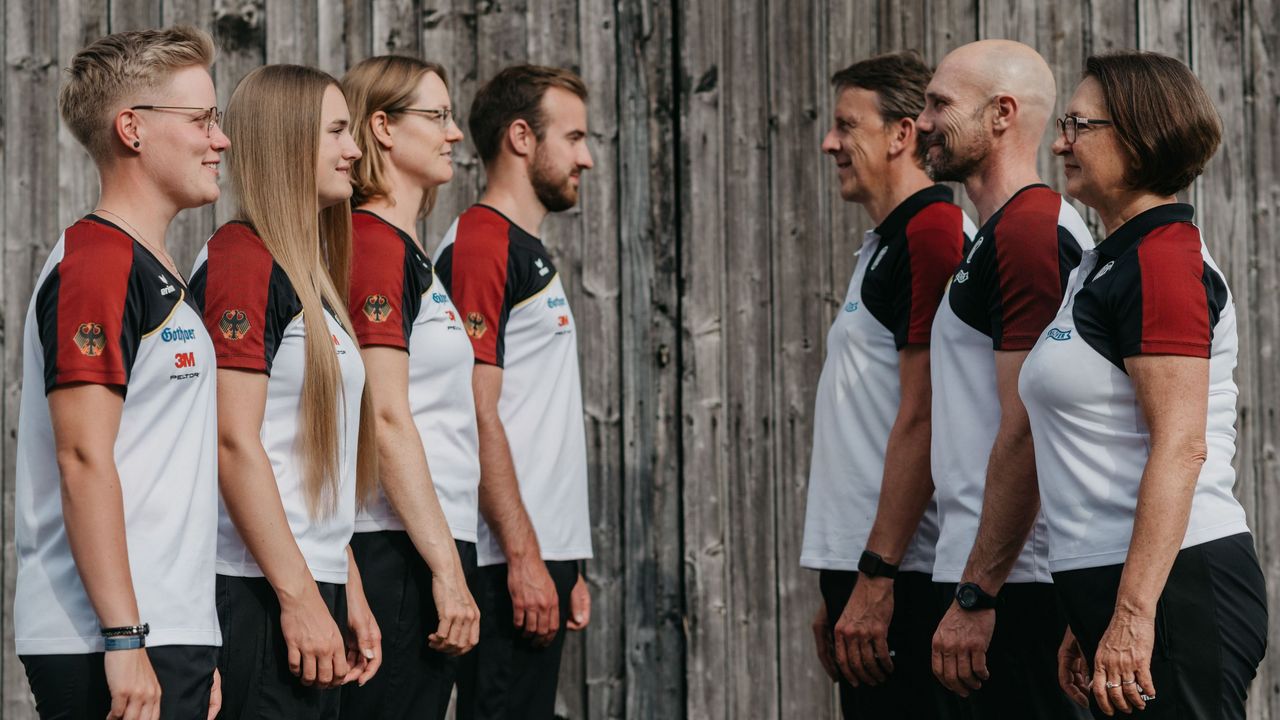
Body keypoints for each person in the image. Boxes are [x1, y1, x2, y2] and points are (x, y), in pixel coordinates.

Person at [1021, 51, 1267, 719]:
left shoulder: (1160, 261)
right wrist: (1090, 609)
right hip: (1123, 582)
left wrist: (1131, 614)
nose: (1060, 140)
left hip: (1180, 589)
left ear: (1141, 134)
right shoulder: (1109, 260)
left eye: (1079, 124)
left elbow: (1182, 444)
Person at [15, 25, 226, 720]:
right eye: (202, 120)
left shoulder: (150, 266)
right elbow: (81, 457)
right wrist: (124, 635)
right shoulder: (98, 263)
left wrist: (198, 637)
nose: (220, 140)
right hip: (106, 638)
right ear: (132, 129)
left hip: (166, 633)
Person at [189, 64, 380, 718]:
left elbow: (304, 454)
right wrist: (299, 598)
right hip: (257, 593)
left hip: (303, 581)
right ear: (287, 140)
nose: (354, 150)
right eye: (336, 131)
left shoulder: (302, 274)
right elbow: (231, 442)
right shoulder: (241, 259)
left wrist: (344, 580)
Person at [914, 39, 1093, 718]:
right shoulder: (998, 234)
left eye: (939, 104)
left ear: (1001, 115)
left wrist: (977, 595)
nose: (923, 121)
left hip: (1017, 591)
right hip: (989, 580)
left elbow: (1028, 427)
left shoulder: (1029, 235)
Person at [801, 51, 972, 720]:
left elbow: (926, 415)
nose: (830, 143)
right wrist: (843, 579)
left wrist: (874, 578)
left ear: (903, 134)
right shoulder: (888, 241)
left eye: (847, 125)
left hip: (908, 576)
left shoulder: (932, 234)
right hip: (872, 569)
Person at [434, 64, 594, 720]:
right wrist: (526, 559)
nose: (586, 157)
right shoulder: (480, 246)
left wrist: (567, 560)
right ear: (522, 138)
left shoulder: (522, 248)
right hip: (504, 562)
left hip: (537, 553)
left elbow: (538, 414)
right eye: (575, 136)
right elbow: (474, 412)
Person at [337, 55, 482, 719]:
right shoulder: (373, 245)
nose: (454, 134)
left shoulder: (406, 250)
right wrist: (446, 571)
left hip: (426, 540)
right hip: (395, 548)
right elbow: (387, 418)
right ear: (384, 128)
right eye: (438, 116)